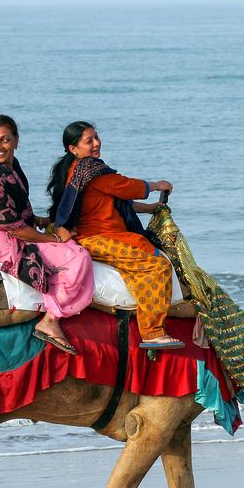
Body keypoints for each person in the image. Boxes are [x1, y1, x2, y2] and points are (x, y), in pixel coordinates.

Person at [46, 121, 184, 350]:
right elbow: (126, 187)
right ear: (73, 148)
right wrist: (158, 184)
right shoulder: (93, 172)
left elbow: (113, 200)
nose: (96, 143)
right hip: (98, 237)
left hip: (101, 233)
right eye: (88, 141)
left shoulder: (78, 170)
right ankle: (152, 332)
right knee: (157, 266)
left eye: (96, 137)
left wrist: (149, 208)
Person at [0, 114, 93, 354]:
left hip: (10, 228)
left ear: (16, 140)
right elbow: (16, 230)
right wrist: (55, 238)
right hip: (0, 239)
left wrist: (41, 221)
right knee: (78, 258)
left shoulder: (10, 166)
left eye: (4, 140)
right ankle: (52, 319)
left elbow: (16, 208)